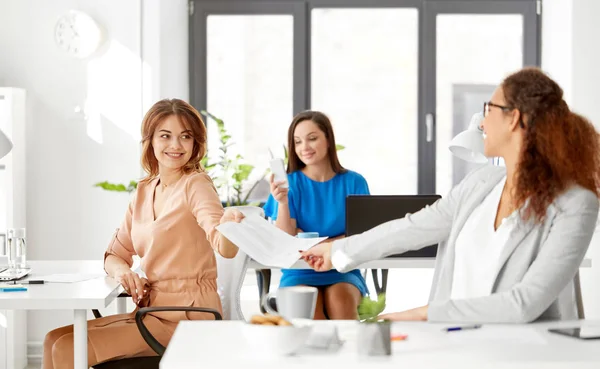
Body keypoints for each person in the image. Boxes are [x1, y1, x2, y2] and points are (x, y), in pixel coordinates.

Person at [301, 67, 600, 323]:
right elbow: (413, 227)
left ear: (513, 119)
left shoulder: (575, 204)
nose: (482, 122)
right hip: (453, 343)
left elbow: (524, 303)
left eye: (489, 109)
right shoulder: (481, 183)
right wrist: (337, 252)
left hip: (521, 355)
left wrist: (423, 314)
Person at [42, 99, 245, 369]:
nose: (176, 145)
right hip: (151, 311)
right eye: (166, 136)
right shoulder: (143, 190)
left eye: (185, 137)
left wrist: (229, 225)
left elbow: (224, 247)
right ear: (150, 141)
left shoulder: (196, 184)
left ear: (196, 144)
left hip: (187, 317)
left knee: (68, 347)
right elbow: (115, 254)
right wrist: (123, 272)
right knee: (53, 339)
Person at [264, 110, 370, 320]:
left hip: (341, 267)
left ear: (328, 140)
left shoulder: (355, 182)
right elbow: (286, 239)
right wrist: (283, 203)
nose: (305, 147)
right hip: (299, 270)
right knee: (310, 315)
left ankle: (350, 353)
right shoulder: (290, 183)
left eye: (312, 138)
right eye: (298, 142)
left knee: (340, 303)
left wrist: (321, 244)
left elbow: (361, 234)